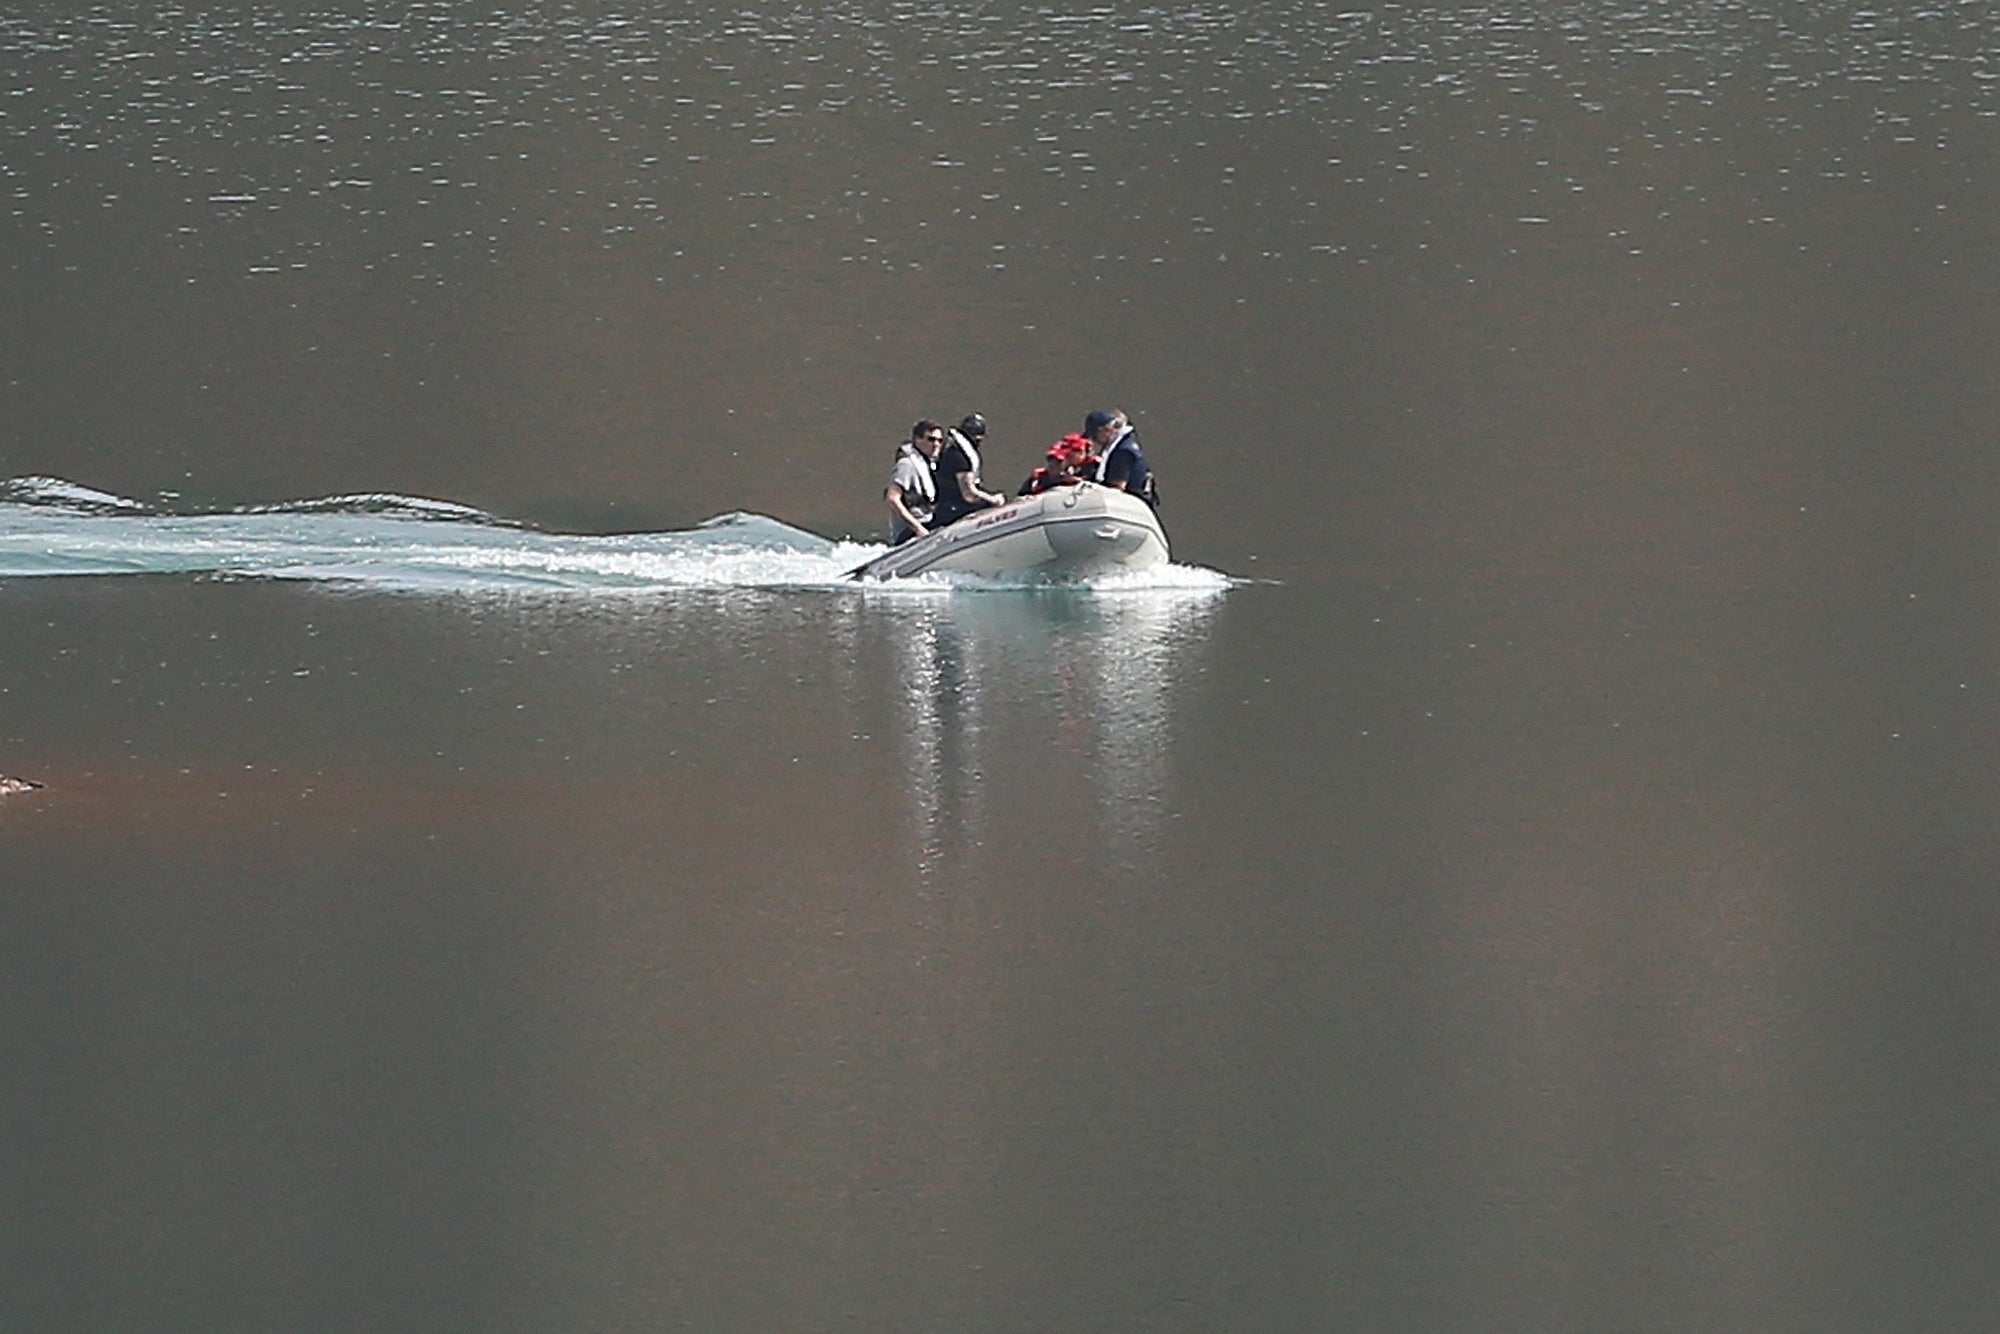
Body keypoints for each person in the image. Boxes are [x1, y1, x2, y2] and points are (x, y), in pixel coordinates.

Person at [932, 412, 1008, 527]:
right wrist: (994, 500)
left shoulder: (952, 451)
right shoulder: (959, 456)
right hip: (953, 513)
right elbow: (969, 494)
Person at [885, 419, 943, 544]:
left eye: (940, 440)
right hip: (909, 532)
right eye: (931, 439)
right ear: (917, 439)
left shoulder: (929, 465)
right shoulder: (906, 465)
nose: (936, 444)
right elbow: (892, 498)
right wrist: (918, 529)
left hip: (929, 521)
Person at [1085, 408, 1157, 508]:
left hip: (1131, 504)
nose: (1094, 440)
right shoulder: (1122, 444)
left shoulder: (1123, 451)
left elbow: (1117, 487)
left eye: (1094, 436)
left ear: (1104, 429)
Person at [1018, 433, 1099, 495]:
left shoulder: (1095, 466)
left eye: (1059, 461)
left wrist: (1075, 481)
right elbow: (1021, 498)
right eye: (1050, 459)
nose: (1053, 464)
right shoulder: (1038, 477)